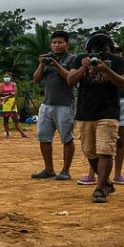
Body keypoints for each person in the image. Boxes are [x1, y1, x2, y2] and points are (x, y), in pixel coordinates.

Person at [66, 33, 124, 203]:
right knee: (89, 151)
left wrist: (105, 69)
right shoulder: (80, 59)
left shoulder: (115, 61)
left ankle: (100, 188)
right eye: (96, 51)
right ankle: (106, 182)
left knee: (105, 150)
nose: (99, 54)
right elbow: (70, 80)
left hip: (108, 112)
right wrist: (83, 67)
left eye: (104, 51)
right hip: (85, 112)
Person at [81, 45, 124, 185]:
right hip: (103, 105)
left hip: (122, 105)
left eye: (119, 53)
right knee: (97, 144)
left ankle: (117, 174)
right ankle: (93, 174)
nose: (117, 56)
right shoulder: (95, 68)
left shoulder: (121, 71)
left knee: (119, 142)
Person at [32, 30, 76, 181]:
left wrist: (57, 65)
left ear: (67, 44)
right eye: (54, 43)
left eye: (60, 42)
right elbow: (36, 79)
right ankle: (49, 169)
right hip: (47, 104)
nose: (57, 45)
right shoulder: (47, 60)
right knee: (43, 137)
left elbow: (71, 78)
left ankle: (65, 170)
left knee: (67, 138)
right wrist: (41, 64)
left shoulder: (72, 59)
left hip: (65, 104)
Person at [0, 72, 30, 139]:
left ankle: (23, 134)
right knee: (5, 120)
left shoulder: (13, 84)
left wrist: (7, 95)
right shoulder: (0, 85)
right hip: (5, 104)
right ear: (3, 77)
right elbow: (0, 93)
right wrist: (10, 93)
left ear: (10, 77)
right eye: (5, 77)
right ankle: (7, 133)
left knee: (15, 119)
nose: (6, 78)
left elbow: (15, 93)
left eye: (7, 76)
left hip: (12, 103)